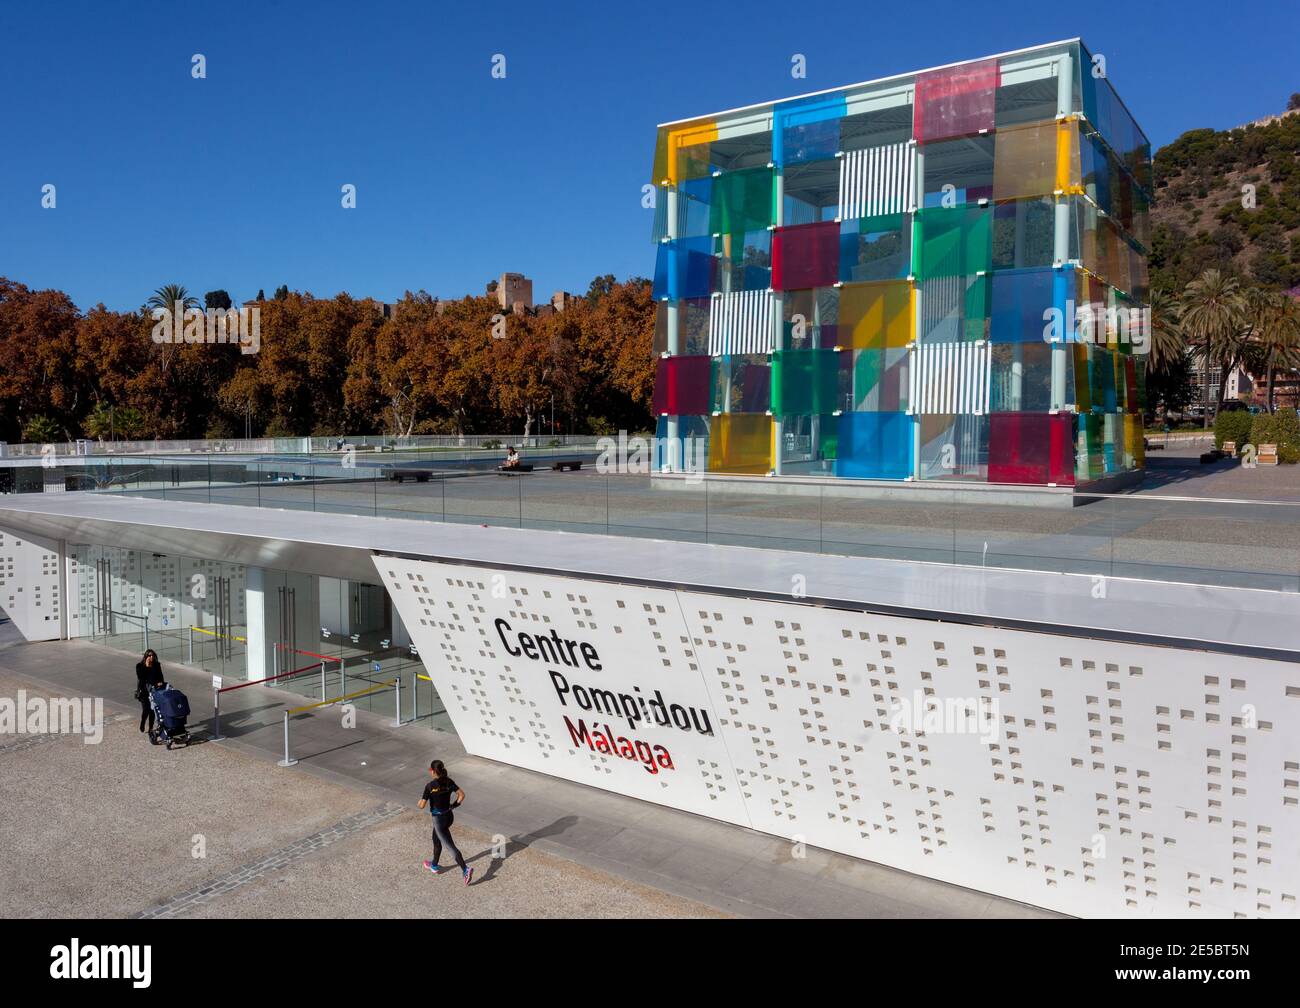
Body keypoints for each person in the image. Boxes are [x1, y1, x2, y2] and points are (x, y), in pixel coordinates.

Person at [417, 759, 471, 884]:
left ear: (432, 771)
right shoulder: (449, 781)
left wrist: (419, 801)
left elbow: (421, 806)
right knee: (436, 839)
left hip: (439, 820)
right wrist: (453, 805)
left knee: (450, 847)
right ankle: (434, 865)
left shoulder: (430, 786)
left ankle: (465, 869)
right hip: (449, 816)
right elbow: (462, 795)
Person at [135, 649, 164, 735]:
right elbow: (141, 678)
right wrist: (147, 667)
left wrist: (160, 682)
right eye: (149, 655)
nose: (151, 657)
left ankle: (151, 728)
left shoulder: (157, 665)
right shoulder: (139, 666)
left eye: (152, 655)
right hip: (144, 691)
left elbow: (160, 676)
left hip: (154, 690)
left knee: (152, 710)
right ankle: (143, 722)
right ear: (146, 656)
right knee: (146, 709)